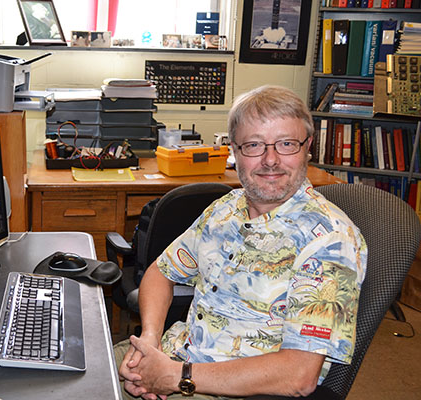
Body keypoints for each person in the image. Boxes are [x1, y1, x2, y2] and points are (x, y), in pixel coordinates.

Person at [115, 85, 368, 400]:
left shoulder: (330, 239)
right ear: (233, 151)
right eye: (253, 145)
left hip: (228, 389)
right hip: (174, 355)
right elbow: (162, 271)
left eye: (287, 144)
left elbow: (299, 375)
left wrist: (175, 377)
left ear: (308, 147)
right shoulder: (225, 208)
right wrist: (150, 339)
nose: (270, 160)